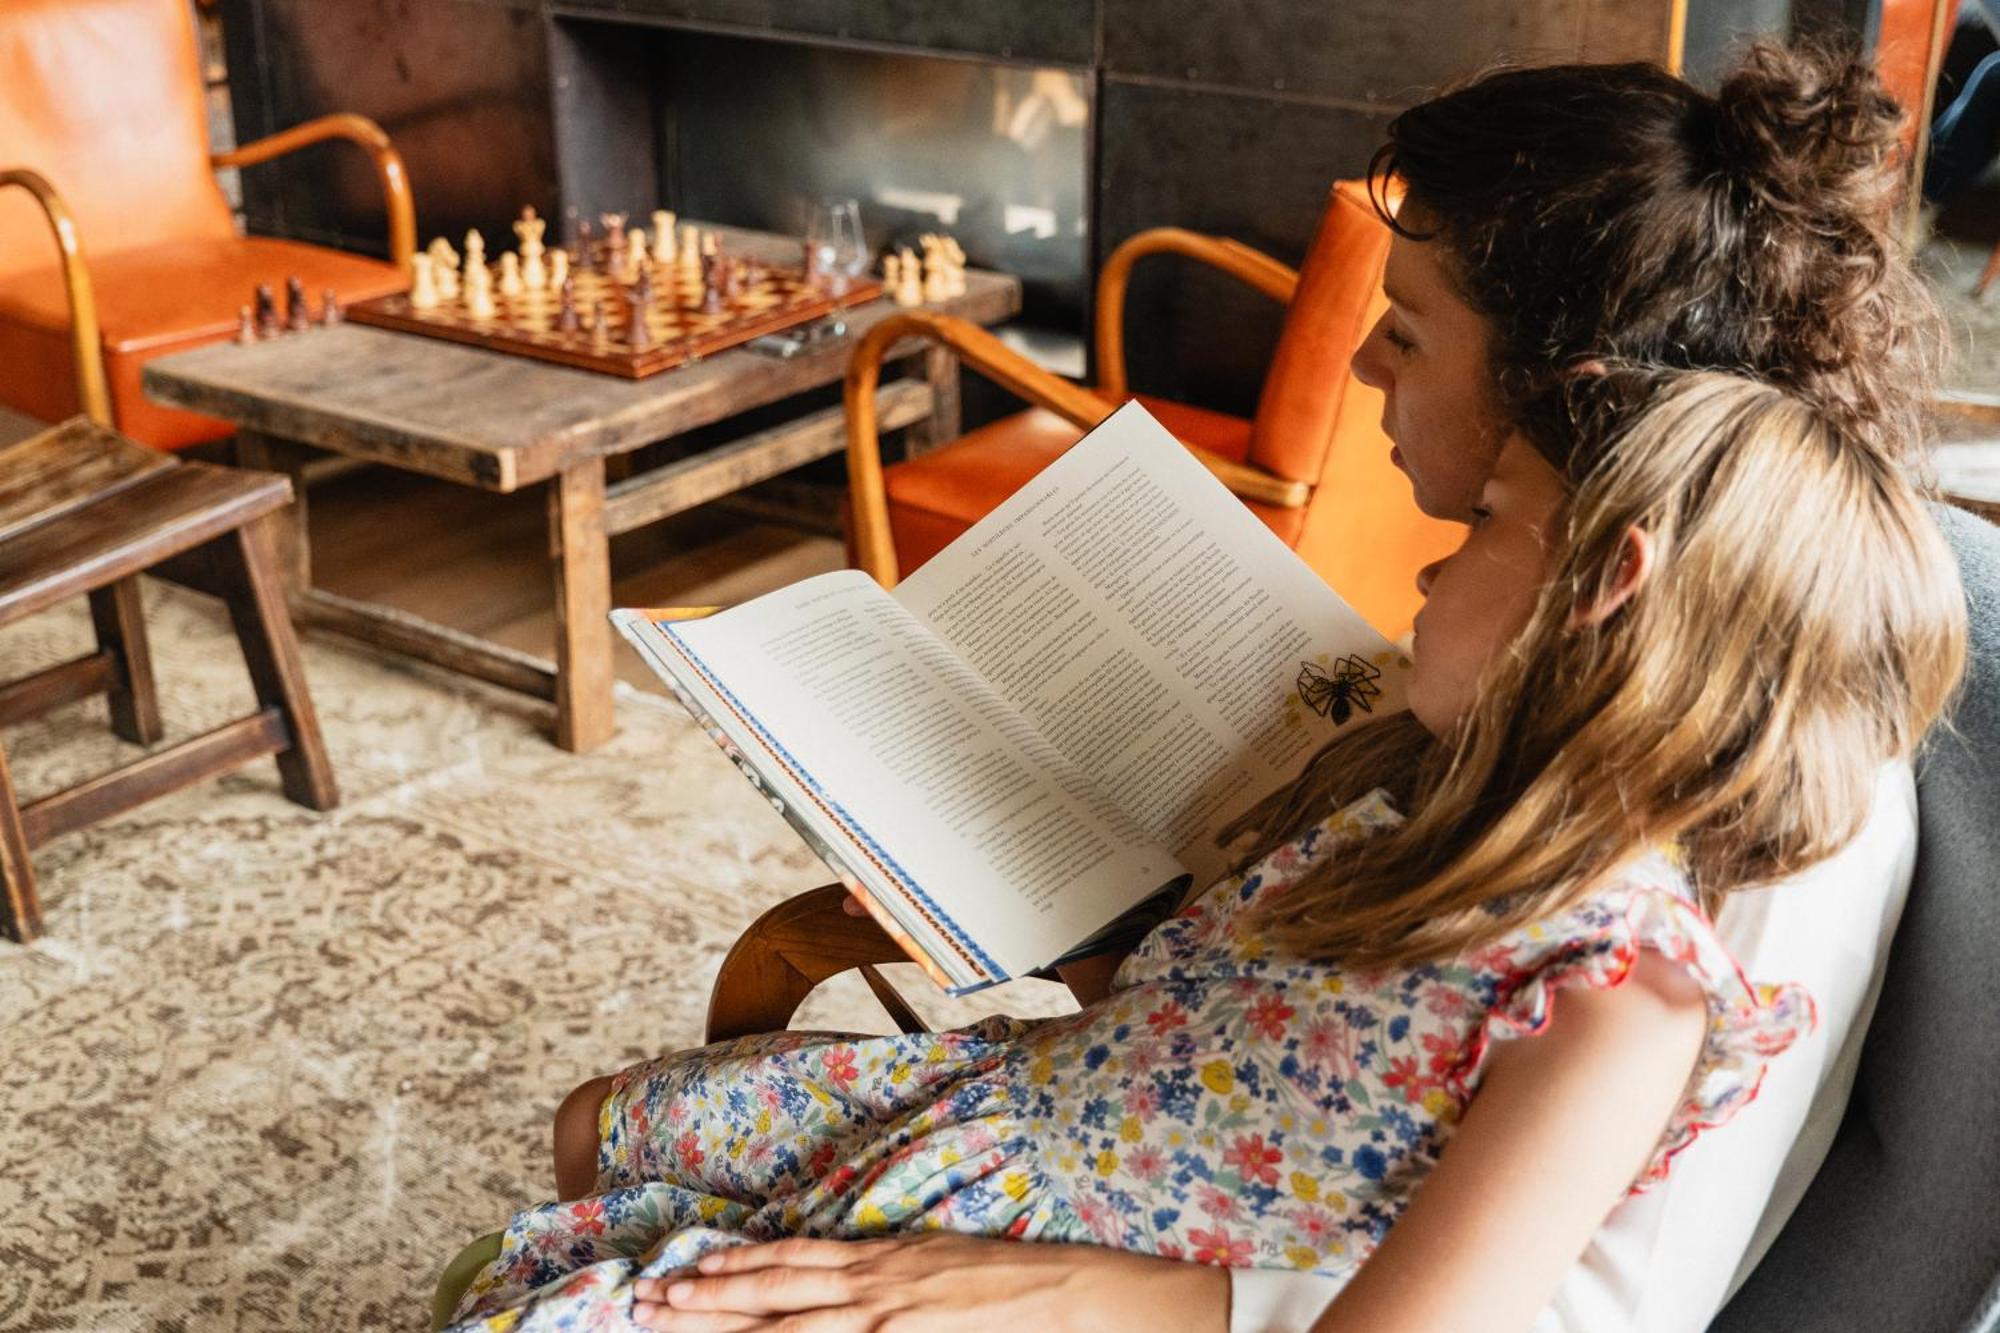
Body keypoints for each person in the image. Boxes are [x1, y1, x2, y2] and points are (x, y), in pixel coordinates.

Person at [446, 42, 1962, 1333]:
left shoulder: (1733, 832)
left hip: (1156, 1233)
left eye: (1413, 328)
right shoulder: (1518, 636)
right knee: (609, 1143)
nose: (1364, 364)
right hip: (1126, 1082)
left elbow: (1588, 1302)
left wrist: (1077, 1288)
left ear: (1559, 395)